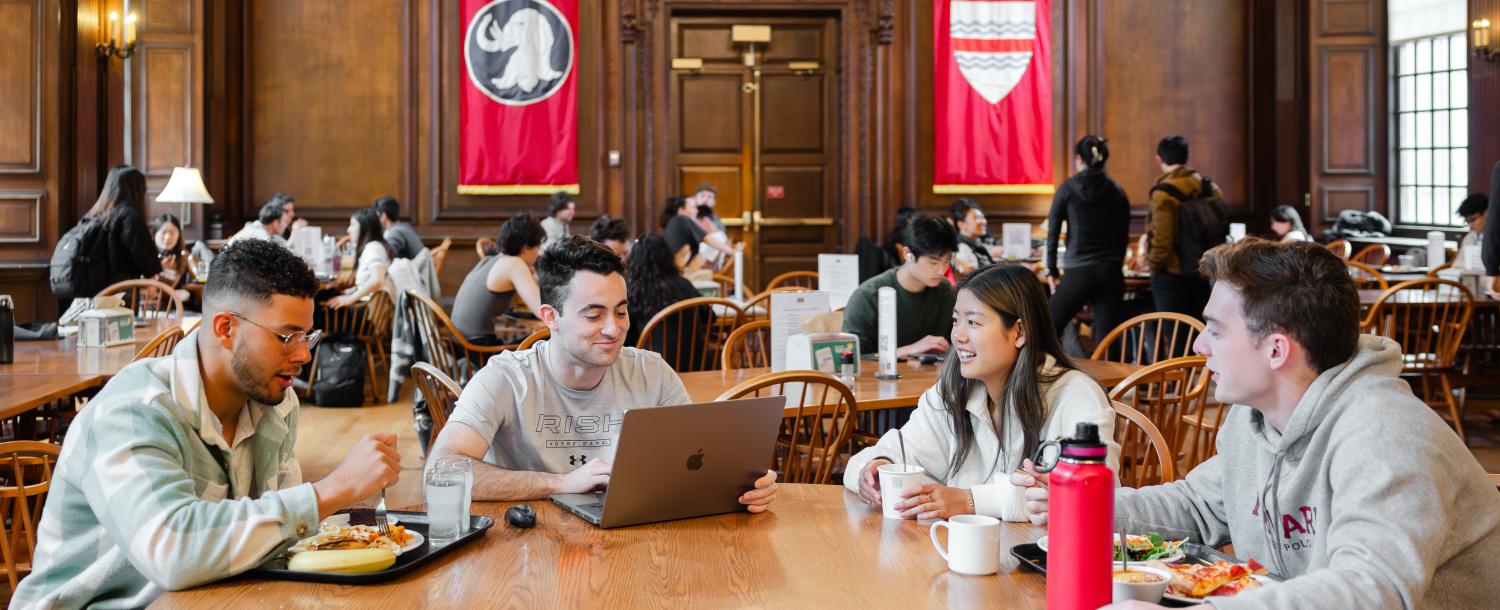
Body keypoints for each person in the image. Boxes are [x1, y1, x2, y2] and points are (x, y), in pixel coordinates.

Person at [1013, 238, 1500, 609]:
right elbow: (1198, 505)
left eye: (1217, 330)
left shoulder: (1386, 436)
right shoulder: (1253, 417)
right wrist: (1079, 506)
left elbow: (1373, 589)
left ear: (1276, 349)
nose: (1201, 346)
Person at [12, 239, 401, 608]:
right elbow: (173, 549)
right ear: (225, 329)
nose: (303, 354)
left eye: (307, 336)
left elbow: (282, 540)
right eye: (287, 336)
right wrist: (333, 489)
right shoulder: (134, 410)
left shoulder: (276, 403)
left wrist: (365, 517)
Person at [425, 236, 779, 508]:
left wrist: (744, 482)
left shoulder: (651, 372)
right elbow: (440, 471)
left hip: (633, 546)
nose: (613, 329)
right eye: (593, 315)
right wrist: (560, 482)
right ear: (551, 317)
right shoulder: (506, 377)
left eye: (621, 312)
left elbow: (699, 457)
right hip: (531, 556)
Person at [844, 264, 1117, 521]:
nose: (958, 336)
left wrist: (970, 500)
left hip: (1046, 562)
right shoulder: (953, 391)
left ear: (1019, 332)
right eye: (955, 321)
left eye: (973, 323)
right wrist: (876, 467)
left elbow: (1084, 493)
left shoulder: (1076, 397)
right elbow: (898, 450)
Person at [1045, 135, 1131, 339]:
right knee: (1108, 341)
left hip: (1078, 270)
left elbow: (1053, 231)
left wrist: (1052, 270)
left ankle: (1051, 370)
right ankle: (1110, 371)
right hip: (1110, 270)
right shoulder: (1117, 190)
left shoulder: (1067, 189)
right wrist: (1115, 265)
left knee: (1045, 328)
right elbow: (1122, 236)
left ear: (1079, 159)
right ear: (1104, 160)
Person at [842, 216, 959, 359]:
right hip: (881, 380)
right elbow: (851, 358)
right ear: (907, 254)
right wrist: (908, 350)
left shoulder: (945, 291)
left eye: (946, 261)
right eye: (933, 262)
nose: (941, 271)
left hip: (934, 379)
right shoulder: (868, 296)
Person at [1144, 134, 1221, 319]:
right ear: (1188, 155)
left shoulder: (1163, 193)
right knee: (1200, 331)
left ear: (1159, 158)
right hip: (1204, 270)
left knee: (1176, 336)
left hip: (1172, 273)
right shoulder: (1209, 188)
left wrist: (1153, 267)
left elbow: (1163, 240)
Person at [450, 213, 546, 343]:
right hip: (480, 351)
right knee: (547, 338)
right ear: (525, 248)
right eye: (537, 247)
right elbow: (543, 312)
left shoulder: (493, 260)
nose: (539, 253)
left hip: (460, 346)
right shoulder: (515, 264)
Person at [623, 234, 711, 358]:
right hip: (694, 364)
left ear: (634, 260)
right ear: (668, 257)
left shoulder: (631, 291)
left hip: (651, 367)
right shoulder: (684, 284)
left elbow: (626, 336)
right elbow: (710, 317)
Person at [84, 165, 162, 283]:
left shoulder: (94, 215)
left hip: (88, 293)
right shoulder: (129, 215)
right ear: (138, 190)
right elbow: (148, 261)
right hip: (116, 294)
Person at [328, 208, 395, 309]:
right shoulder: (372, 247)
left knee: (319, 305)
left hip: (366, 310)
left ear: (364, 228)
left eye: (353, 225)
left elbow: (378, 279)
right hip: (364, 306)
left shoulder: (373, 247)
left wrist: (350, 298)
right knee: (325, 295)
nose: (348, 230)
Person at [950, 200, 1001, 274]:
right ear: (961, 224)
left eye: (982, 217)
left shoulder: (977, 245)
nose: (983, 221)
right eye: (977, 217)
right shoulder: (961, 249)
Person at [153, 213, 194, 302]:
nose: (167, 237)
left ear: (179, 234)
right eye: (164, 232)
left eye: (172, 233)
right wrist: (173, 293)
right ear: (155, 233)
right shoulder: (147, 256)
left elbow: (198, 278)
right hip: (151, 308)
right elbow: (144, 289)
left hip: (176, 307)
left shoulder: (184, 256)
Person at [660, 196, 706, 266]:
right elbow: (707, 238)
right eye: (693, 207)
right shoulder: (680, 219)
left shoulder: (673, 223)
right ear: (681, 210)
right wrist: (729, 251)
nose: (697, 211)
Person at [374, 195, 424, 260]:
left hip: (412, 269)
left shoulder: (396, 232)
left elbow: (387, 256)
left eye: (376, 215)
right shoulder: (404, 226)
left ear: (384, 216)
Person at [695, 204, 740, 270]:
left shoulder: (714, 239)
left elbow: (702, 265)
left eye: (694, 223)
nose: (693, 227)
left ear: (705, 220)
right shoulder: (719, 236)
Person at [1453, 193, 1486, 271]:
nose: (1470, 226)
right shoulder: (1470, 237)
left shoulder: (1495, 237)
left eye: (1473, 220)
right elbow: (1456, 264)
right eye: (1467, 221)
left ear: (1486, 213)